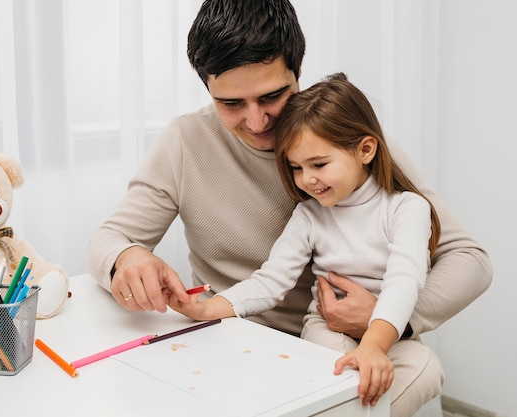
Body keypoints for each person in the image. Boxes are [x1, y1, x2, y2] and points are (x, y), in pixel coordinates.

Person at [86, 1, 492, 415]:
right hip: (236, 344)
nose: (257, 121)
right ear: (207, 88)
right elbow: (110, 240)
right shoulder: (185, 141)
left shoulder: (344, 139)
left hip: (350, 341)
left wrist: (388, 320)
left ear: (298, 71)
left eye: (272, 96)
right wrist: (128, 256)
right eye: (231, 104)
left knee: (417, 372)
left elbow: (470, 260)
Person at [166, 72, 442, 407]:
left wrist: (373, 345)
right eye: (296, 167)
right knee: (346, 380)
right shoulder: (311, 215)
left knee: (427, 369)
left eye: (319, 164)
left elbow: (404, 282)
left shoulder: (407, 209)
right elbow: (270, 282)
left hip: (389, 330)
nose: (307, 179)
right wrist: (207, 308)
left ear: (366, 149)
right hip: (329, 329)